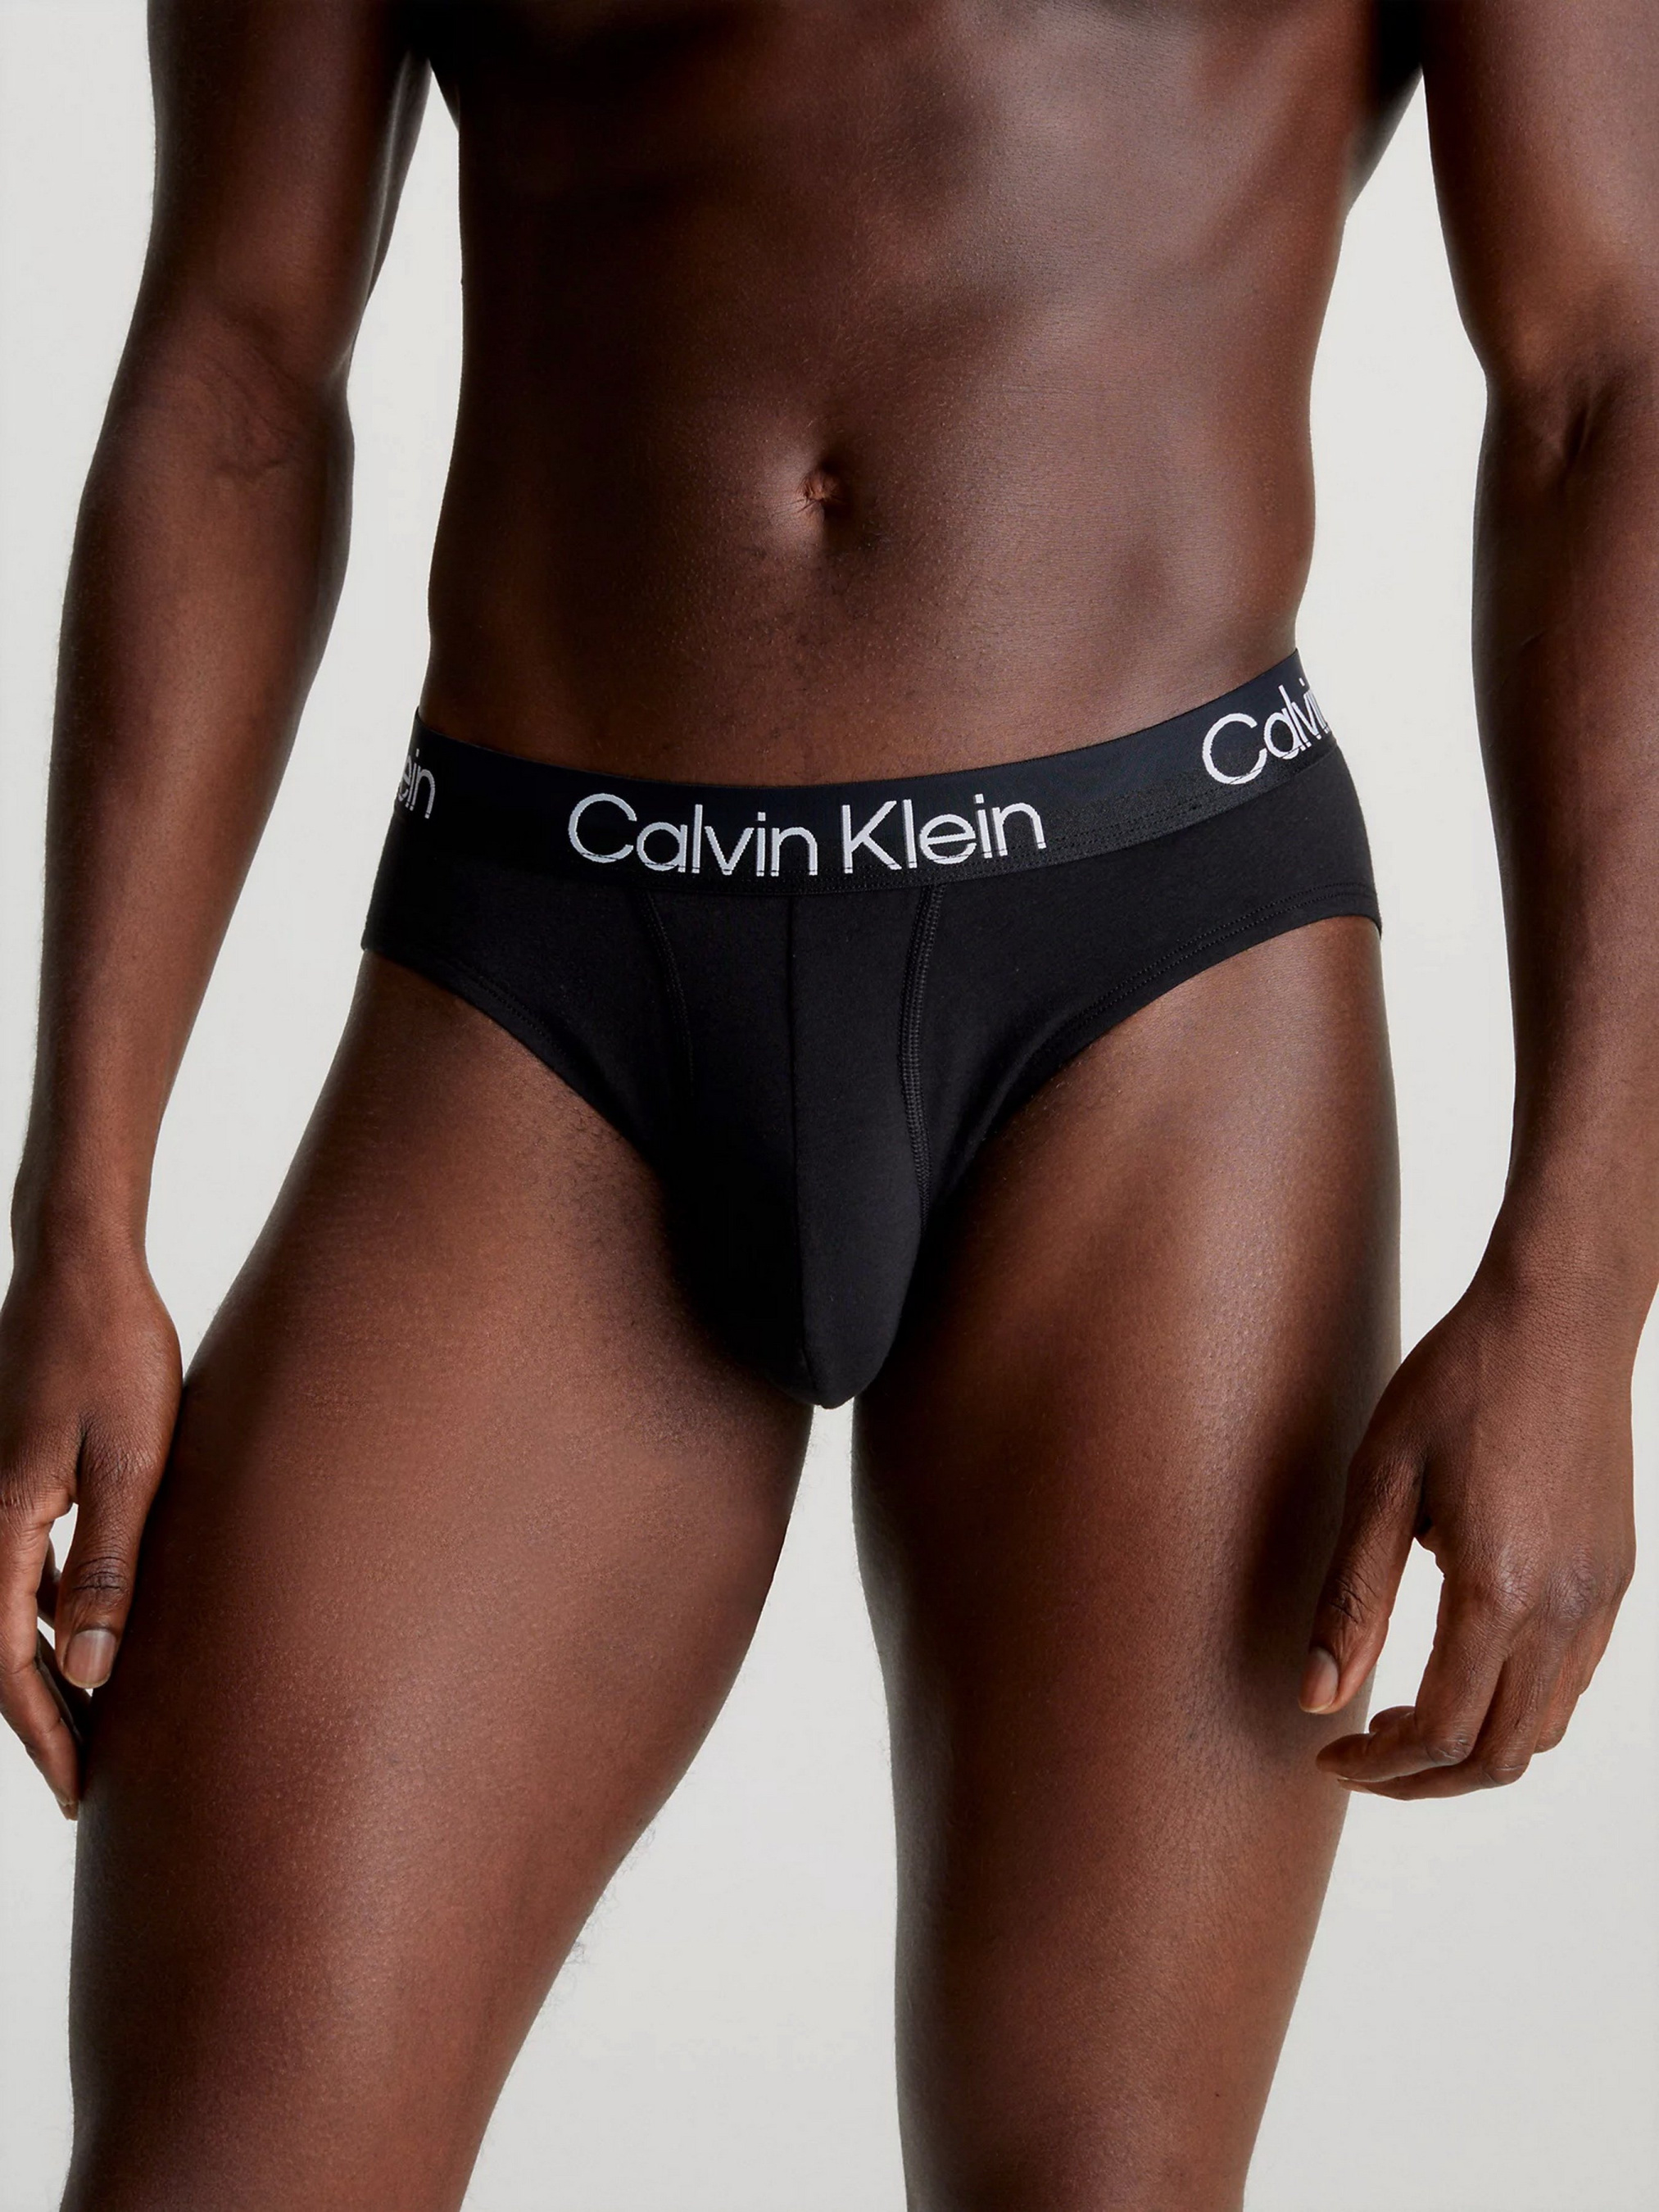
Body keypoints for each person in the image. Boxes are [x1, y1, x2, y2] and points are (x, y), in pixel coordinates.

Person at [1, 2, 1653, 2205]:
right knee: (224, 2153)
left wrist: (1580, 1280)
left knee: (1093, 2180)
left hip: (1151, 983)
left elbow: (1605, 377)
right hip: (543, 980)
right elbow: (234, 361)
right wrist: (78, 1214)